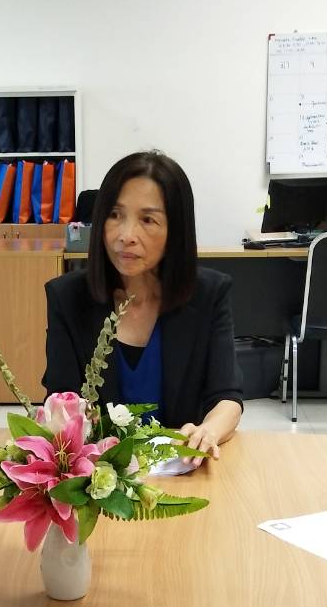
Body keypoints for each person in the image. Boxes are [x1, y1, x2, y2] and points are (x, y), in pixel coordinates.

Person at [42, 151, 242, 462]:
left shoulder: (208, 294)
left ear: (175, 230)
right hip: (100, 475)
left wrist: (209, 431)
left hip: (182, 468)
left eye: (147, 220)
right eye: (114, 215)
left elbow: (227, 396)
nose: (126, 236)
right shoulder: (67, 297)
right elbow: (60, 401)